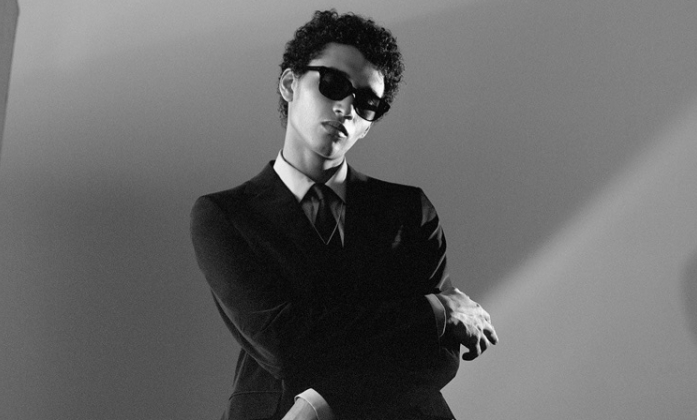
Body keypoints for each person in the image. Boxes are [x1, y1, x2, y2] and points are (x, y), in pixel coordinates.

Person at [190, 10, 498, 420]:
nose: (347, 107)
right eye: (333, 84)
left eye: (367, 103)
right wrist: (433, 312)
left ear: (368, 125)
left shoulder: (408, 209)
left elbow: (437, 353)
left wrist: (322, 404)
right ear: (289, 84)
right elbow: (282, 344)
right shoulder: (225, 215)